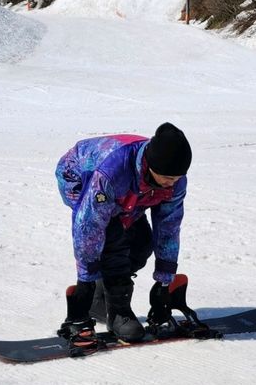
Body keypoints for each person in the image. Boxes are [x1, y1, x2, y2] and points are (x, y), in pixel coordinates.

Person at [55, 123, 192, 347]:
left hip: (133, 191)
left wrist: (163, 282)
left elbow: (168, 227)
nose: (172, 183)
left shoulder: (173, 180)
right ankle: (118, 312)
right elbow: (88, 227)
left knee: (141, 244)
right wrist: (85, 281)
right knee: (113, 240)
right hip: (78, 176)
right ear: (152, 166)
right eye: (168, 177)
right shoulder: (112, 173)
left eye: (177, 178)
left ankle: (101, 300)